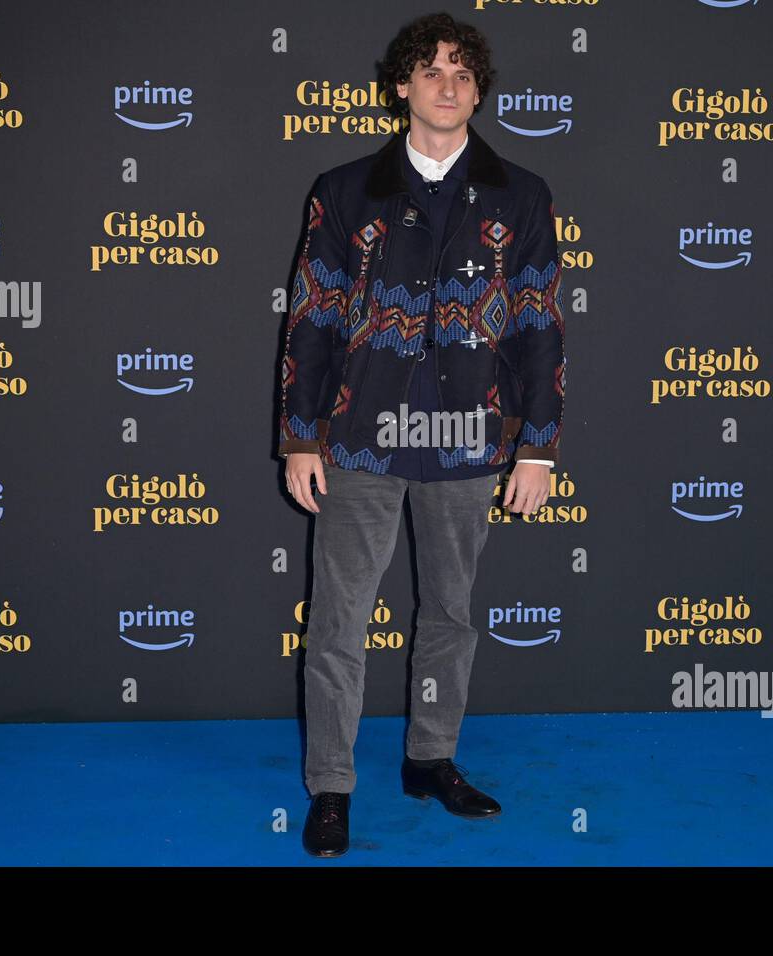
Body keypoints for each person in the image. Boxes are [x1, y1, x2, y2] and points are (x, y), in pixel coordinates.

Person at [277, 12, 566, 857]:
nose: (450, 86)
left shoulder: (523, 194)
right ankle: (332, 785)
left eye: (464, 73)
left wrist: (538, 444)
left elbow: (540, 326)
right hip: (359, 438)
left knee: (449, 614)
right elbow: (313, 318)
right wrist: (301, 436)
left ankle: (430, 759)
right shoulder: (343, 191)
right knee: (339, 620)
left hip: (470, 441)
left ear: (479, 90)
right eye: (432, 71)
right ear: (400, 84)